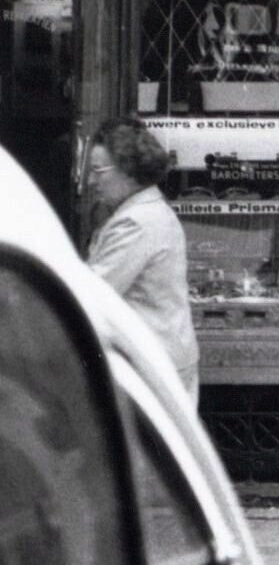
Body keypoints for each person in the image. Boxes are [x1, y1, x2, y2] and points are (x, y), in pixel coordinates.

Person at [84, 118, 199, 398]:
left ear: (128, 171)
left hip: (151, 368)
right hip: (160, 360)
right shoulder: (144, 210)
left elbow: (93, 293)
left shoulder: (137, 221)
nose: (91, 182)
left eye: (98, 172)